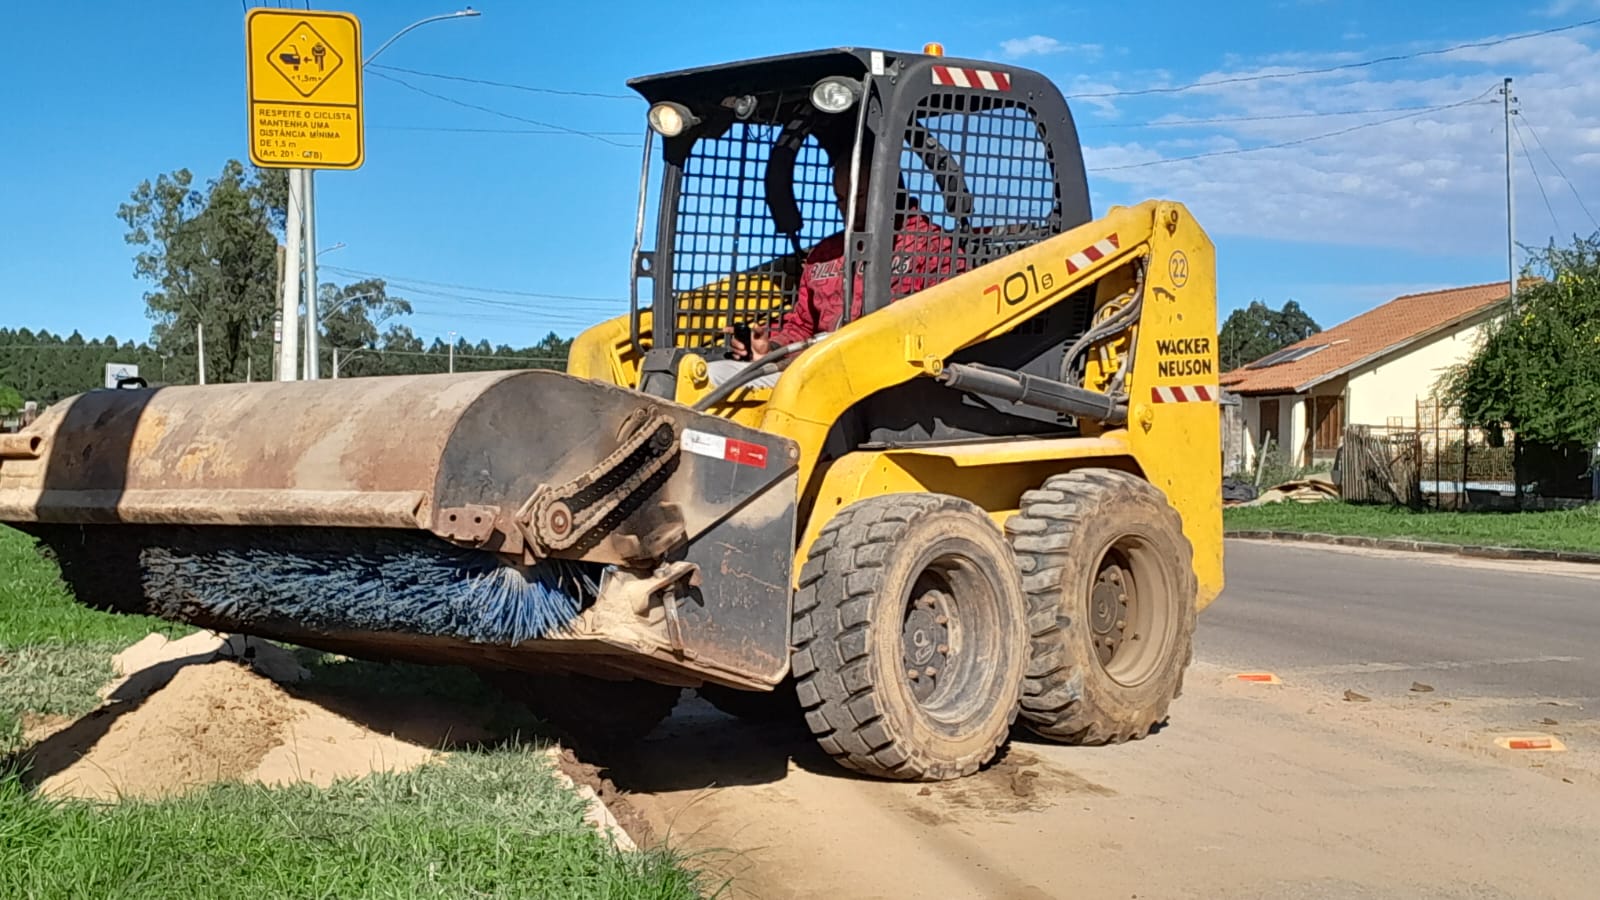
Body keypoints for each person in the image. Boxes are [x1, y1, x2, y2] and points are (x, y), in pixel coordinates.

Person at [706, 142, 954, 388]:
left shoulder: (934, 248)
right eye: (841, 198)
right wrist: (770, 347)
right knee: (711, 377)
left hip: (894, 381)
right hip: (821, 375)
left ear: (889, 188)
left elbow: (948, 322)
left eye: (860, 196)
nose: (849, 208)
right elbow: (802, 325)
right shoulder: (825, 254)